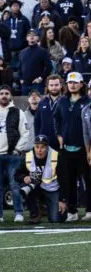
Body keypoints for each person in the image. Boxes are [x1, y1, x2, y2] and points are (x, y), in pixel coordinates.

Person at [0, 86, 33, 223]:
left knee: (14, 185)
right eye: (1, 93)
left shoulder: (18, 112)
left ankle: (18, 213)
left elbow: (25, 133)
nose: (4, 96)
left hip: (12, 155)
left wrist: (17, 149)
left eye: (6, 94)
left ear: (11, 96)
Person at [56, 72, 91, 221]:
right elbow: (56, 119)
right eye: (70, 82)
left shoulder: (88, 102)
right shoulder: (62, 101)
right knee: (68, 181)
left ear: (81, 84)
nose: (72, 85)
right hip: (66, 149)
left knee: (88, 181)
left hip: (84, 149)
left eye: (76, 82)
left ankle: (90, 210)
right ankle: (72, 211)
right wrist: (59, 135)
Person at [15, 135, 63, 223]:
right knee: (25, 188)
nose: (39, 150)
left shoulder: (57, 156)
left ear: (47, 148)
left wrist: (62, 200)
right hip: (36, 187)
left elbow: (64, 180)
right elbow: (17, 174)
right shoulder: (27, 156)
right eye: (37, 147)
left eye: (42, 147)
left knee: (55, 219)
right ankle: (35, 213)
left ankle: (46, 207)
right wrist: (24, 177)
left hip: (52, 188)